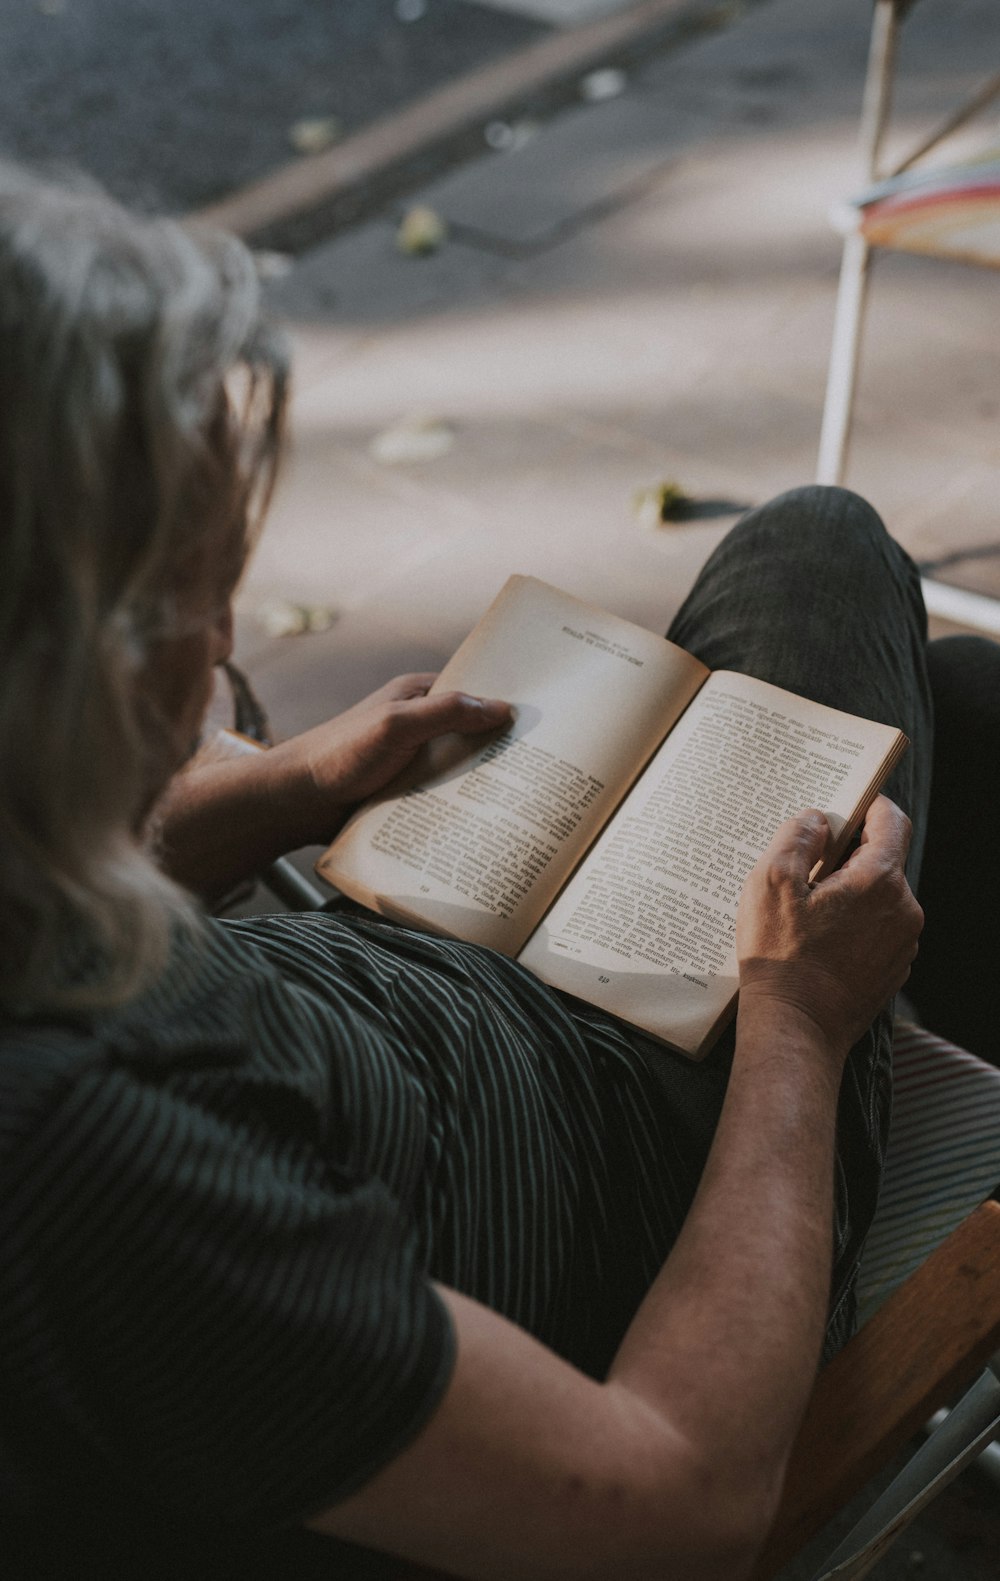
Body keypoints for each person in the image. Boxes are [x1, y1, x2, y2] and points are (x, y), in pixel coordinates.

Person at [0, 165, 935, 1581]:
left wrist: (294, 788)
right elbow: (674, 1505)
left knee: (937, 694)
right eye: (192, 603)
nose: (213, 659)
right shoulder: (92, 1165)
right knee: (827, 555)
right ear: (57, 670)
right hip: (653, 1170)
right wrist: (799, 1030)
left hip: (434, 986)